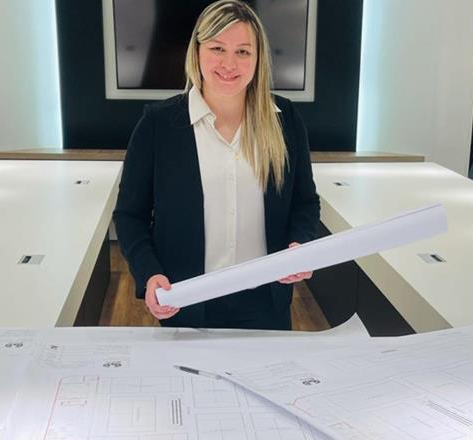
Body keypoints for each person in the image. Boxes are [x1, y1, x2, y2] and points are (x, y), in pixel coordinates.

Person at [113, 0, 319, 330]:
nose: (229, 63)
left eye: (243, 52)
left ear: (258, 58)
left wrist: (300, 245)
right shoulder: (157, 125)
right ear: (197, 52)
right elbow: (130, 216)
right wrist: (149, 273)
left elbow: (305, 203)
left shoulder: (286, 120)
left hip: (267, 302)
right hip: (186, 302)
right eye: (217, 48)